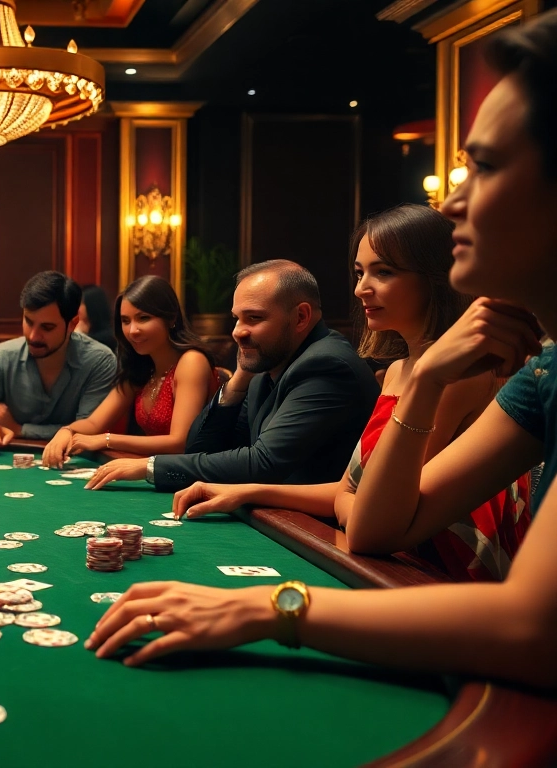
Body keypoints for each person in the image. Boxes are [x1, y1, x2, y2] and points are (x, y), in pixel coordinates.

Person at [86, 11, 557, 690]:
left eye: (481, 167)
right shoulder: (543, 373)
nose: (450, 203)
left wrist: (276, 608)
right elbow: (371, 524)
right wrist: (422, 382)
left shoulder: (338, 364)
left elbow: (533, 629)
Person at [173, 204, 530, 582]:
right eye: (360, 272)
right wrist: (247, 492)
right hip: (389, 561)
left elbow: (366, 524)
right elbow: (349, 490)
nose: (362, 288)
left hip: (441, 576)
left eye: (384, 272)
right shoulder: (395, 371)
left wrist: (349, 504)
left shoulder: (460, 376)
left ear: (437, 278)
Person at [83, 260, 379, 492]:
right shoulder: (268, 365)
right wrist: (237, 383)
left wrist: (148, 467)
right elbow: (201, 448)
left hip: (319, 536)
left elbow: (263, 462)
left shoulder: (325, 365)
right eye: (237, 318)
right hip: (275, 517)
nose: (238, 331)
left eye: (254, 318)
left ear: (301, 317)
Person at [44, 276, 218, 469]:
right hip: (156, 470)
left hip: (197, 478)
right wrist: (67, 430)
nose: (132, 330)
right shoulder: (141, 368)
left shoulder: (191, 362)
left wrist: (107, 440)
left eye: (143, 318)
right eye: (125, 321)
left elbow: (179, 443)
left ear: (171, 318)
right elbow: (94, 423)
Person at [0, 271, 118, 448]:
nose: (33, 336)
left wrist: (20, 429)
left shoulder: (99, 361)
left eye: (47, 327)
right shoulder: (4, 355)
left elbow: (87, 430)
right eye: (29, 321)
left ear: (72, 324)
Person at [75, 283, 116, 348]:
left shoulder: (106, 338)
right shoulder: (78, 326)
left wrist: (79, 334)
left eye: (81, 303)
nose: (77, 307)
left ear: (92, 306)